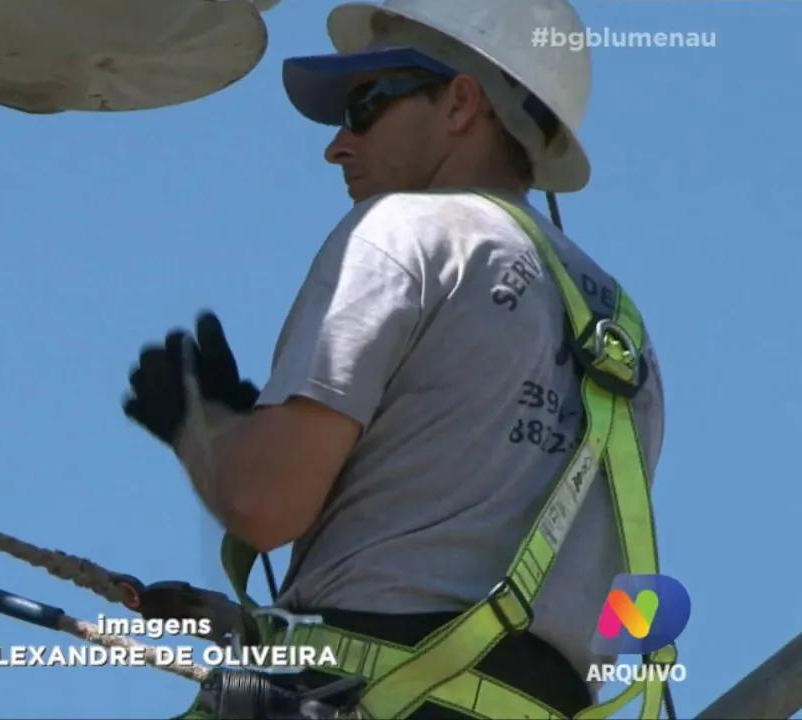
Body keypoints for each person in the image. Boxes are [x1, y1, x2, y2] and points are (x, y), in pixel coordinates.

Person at [121, 0, 671, 718]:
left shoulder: (407, 232)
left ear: (461, 101)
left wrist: (203, 428)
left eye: (365, 106)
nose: (338, 145)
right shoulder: (622, 332)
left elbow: (264, 502)